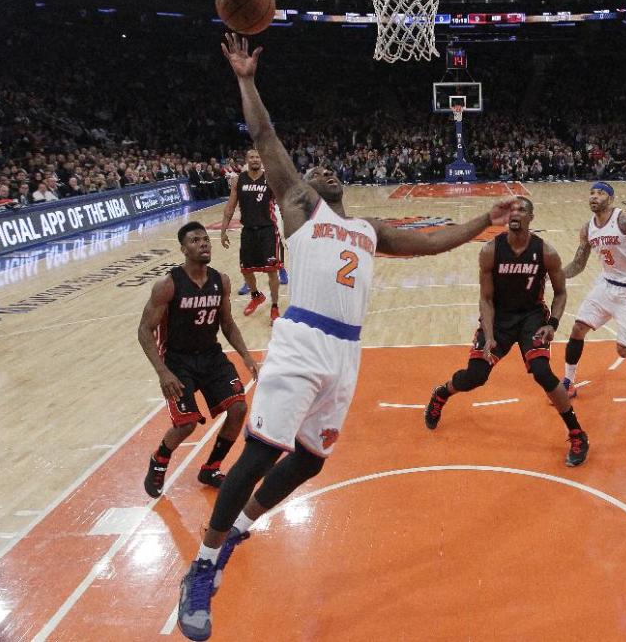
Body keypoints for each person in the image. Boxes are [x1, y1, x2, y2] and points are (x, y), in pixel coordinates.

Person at [176, 33, 512, 642]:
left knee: (309, 461)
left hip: (346, 351)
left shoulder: (367, 228)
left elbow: (432, 241)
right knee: (260, 452)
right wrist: (247, 80)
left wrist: (480, 222)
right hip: (302, 338)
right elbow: (266, 140)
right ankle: (201, 568)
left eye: (331, 168)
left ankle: (242, 527)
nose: (322, 168)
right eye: (317, 166)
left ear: (345, 184)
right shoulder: (304, 207)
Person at [423, 196, 589, 468]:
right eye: (512, 209)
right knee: (475, 376)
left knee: (542, 372)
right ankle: (442, 393)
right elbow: (486, 299)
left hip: (531, 317)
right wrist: (488, 336)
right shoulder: (490, 251)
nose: (516, 213)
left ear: (531, 218)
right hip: (499, 319)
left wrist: (553, 323)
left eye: (522, 209)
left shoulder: (546, 252)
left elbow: (560, 293)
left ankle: (577, 433)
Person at [138, 221, 259, 499]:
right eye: (195, 240)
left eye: (205, 239)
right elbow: (145, 330)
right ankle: (159, 460)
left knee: (239, 409)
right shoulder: (168, 285)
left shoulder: (221, 281)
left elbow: (227, 323)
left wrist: (245, 355)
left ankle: (211, 467)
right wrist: (162, 372)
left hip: (211, 357)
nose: (203, 243)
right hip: (177, 361)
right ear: (183, 249)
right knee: (186, 424)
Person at [560, 182, 626, 397]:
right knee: (578, 329)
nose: (594, 197)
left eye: (600, 193)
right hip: (606, 285)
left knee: (623, 352)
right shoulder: (587, 229)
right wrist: (555, 276)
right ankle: (568, 381)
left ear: (611, 199)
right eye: (592, 193)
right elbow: (578, 264)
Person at [220, 149, 283, 324]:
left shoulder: (270, 179)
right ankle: (256, 295)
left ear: (261, 161)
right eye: (251, 157)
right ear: (246, 161)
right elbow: (230, 207)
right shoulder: (238, 180)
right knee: (246, 269)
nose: (255, 160)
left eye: (257, 157)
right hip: (248, 230)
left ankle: (275, 307)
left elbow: (283, 204)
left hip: (268, 230)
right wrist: (223, 230)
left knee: (272, 271)